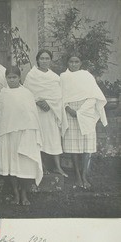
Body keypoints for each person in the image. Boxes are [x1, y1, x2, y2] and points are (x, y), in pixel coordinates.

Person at [0, 66, 43, 206]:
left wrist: (31, 133)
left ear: (19, 78)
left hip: (24, 134)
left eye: (14, 77)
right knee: (11, 166)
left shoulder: (27, 93)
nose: (12, 80)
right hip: (8, 134)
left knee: (24, 165)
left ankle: (24, 194)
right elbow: (1, 114)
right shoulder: (3, 93)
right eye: (9, 77)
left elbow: (32, 114)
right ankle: (15, 194)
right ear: (6, 78)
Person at [60, 53, 107, 189]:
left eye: (76, 61)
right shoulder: (63, 77)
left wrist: (81, 112)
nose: (74, 64)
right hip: (70, 113)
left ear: (81, 63)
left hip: (86, 112)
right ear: (67, 63)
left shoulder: (87, 76)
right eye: (71, 61)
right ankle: (78, 176)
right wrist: (68, 108)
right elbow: (60, 96)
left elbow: (94, 95)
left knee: (87, 145)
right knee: (74, 146)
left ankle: (85, 175)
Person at [24, 49, 68, 177]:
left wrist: (49, 103)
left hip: (50, 112)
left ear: (50, 60)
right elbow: (27, 93)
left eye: (47, 58)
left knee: (54, 138)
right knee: (38, 138)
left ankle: (58, 167)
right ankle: (41, 166)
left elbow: (58, 96)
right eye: (42, 58)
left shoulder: (55, 77)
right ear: (37, 60)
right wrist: (37, 102)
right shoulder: (31, 75)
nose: (44, 61)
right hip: (36, 112)